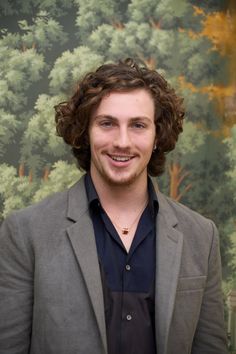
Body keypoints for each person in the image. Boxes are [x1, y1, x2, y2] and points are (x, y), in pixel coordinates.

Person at [0, 58, 228, 354]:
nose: (122, 141)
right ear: (85, 132)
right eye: (107, 123)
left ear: (157, 136)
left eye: (138, 125)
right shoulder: (25, 233)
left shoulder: (202, 236)